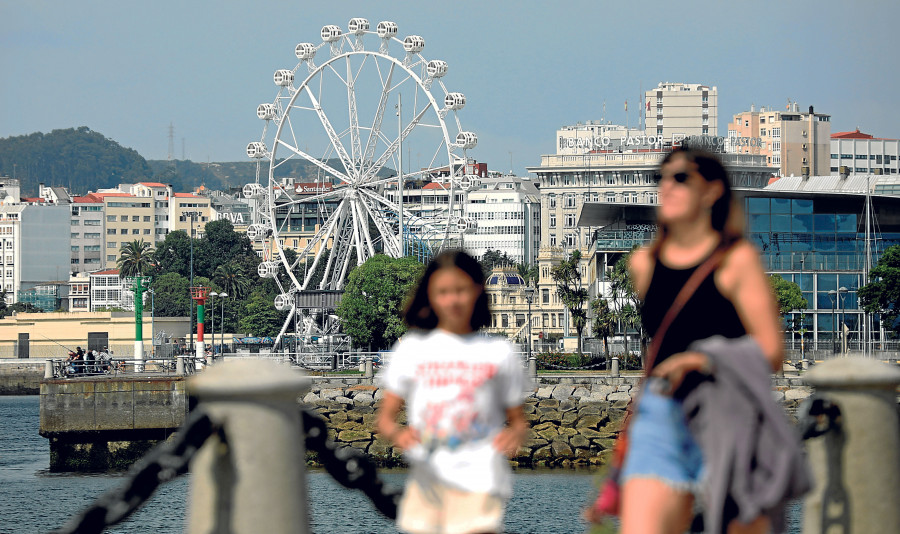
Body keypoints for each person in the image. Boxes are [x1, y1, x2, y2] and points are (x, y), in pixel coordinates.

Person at [601, 148, 785, 534]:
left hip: (725, 410)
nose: (667, 187)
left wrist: (701, 360)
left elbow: (771, 350)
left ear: (711, 192)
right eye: (661, 178)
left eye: (681, 178)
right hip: (662, 411)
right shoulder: (643, 264)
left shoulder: (736, 261)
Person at [376, 250, 527, 534]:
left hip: (481, 481)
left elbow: (517, 420)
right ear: (429, 296)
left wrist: (514, 435)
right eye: (443, 292)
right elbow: (385, 418)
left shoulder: (500, 352)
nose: (452, 300)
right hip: (428, 483)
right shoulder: (411, 349)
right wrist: (399, 434)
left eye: (460, 290)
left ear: (477, 291)